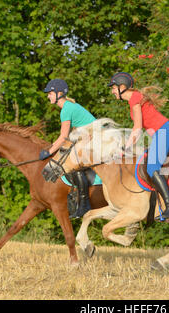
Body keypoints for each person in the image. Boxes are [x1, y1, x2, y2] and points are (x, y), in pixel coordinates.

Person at [107, 72, 169, 220]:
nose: (112, 91)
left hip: (164, 132)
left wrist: (125, 149)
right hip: (160, 133)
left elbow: (137, 129)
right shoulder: (134, 99)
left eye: (114, 88)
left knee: (152, 168)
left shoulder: (134, 98)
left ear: (122, 87)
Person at [41, 79, 96, 219]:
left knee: (73, 164)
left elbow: (63, 137)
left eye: (50, 93)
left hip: (95, 137)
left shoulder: (66, 109)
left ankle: (84, 204)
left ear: (59, 93)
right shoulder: (70, 107)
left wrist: (49, 151)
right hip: (92, 136)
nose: (48, 96)